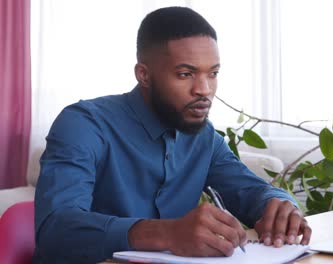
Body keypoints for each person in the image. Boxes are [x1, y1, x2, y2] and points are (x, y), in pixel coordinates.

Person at [33, 6, 311, 263]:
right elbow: (55, 230)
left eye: (212, 73)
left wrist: (278, 206)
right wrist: (167, 233)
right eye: (185, 74)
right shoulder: (84, 124)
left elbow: (250, 191)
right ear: (144, 75)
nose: (204, 89)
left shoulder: (203, 138)